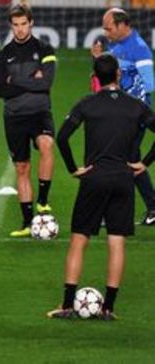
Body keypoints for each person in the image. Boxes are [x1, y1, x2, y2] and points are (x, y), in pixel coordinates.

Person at [48, 54, 155, 321]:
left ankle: (67, 305)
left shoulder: (87, 104)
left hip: (94, 180)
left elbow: (61, 138)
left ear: (95, 77)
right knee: (116, 242)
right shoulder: (135, 106)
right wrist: (144, 163)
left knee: (78, 240)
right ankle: (109, 308)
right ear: (118, 75)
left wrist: (74, 168)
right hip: (123, 179)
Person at [0, 4, 57, 237]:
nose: (20, 29)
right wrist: (31, 80)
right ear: (11, 26)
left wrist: (16, 82)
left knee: (47, 145)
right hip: (14, 118)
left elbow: (46, 83)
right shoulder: (2, 55)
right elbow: (1, 89)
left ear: (31, 23)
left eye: (24, 24)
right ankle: (28, 221)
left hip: (40, 113)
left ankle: (42, 200)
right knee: (22, 167)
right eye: (15, 25)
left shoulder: (45, 49)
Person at [91, 8, 155, 225]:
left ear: (122, 25)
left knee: (117, 159)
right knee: (130, 159)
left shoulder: (139, 49)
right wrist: (100, 60)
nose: (105, 33)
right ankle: (153, 207)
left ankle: (111, 212)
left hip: (134, 115)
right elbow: (109, 77)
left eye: (109, 28)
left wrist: (125, 101)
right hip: (120, 111)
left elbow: (149, 84)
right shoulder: (115, 45)